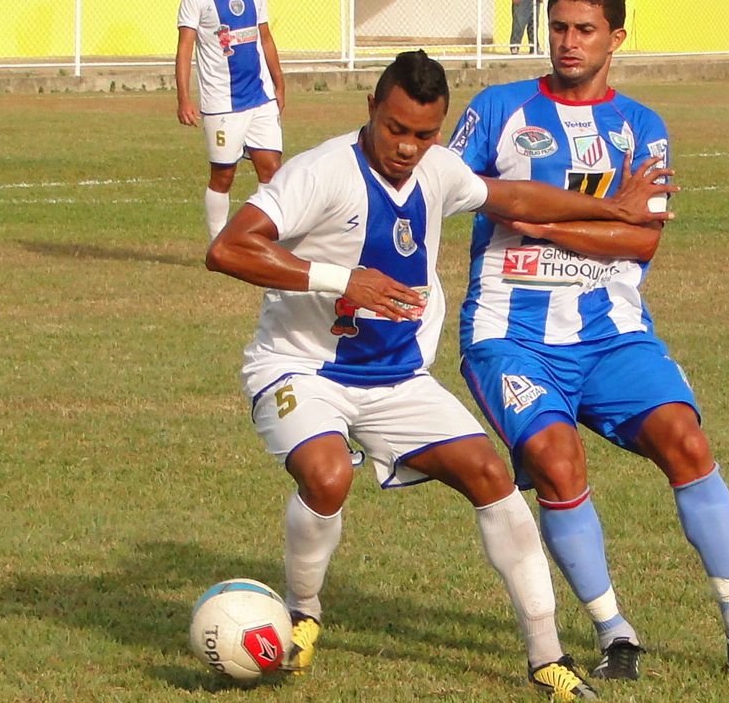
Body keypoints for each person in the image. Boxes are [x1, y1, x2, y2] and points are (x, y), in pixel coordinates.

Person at [205, 50, 674, 699]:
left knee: (492, 477)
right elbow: (227, 248)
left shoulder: (438, 170)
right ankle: (304, 612)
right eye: (395, 128)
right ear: (371, 109)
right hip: (300, 368)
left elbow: (511, 194)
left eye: (424, 134)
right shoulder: (319, 173)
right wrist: (345, 281)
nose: (407, 147)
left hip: (397, 380)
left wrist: (613, 212)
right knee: (328, 474)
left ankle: (545, 659)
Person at [449, 0, 729, 681]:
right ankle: (615, 632)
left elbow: (642, 245)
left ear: (616, 36)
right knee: (557, 461)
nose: (568, 42)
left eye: (585, 29)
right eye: (558, 27)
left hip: (612, 332)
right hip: (508, 334)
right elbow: (452, 192)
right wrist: (611, 212)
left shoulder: (641, 128)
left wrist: (538, 218)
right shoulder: (497, 110)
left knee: (686, 439)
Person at [176, 0, 285, 240]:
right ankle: (217, 245)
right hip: (222, 103)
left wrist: (279, 82)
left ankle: (265, 240)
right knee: (223, 176)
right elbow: (185, 49)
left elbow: (265, 37)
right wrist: (184, 98)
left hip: (260, 97)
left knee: (272, 171)